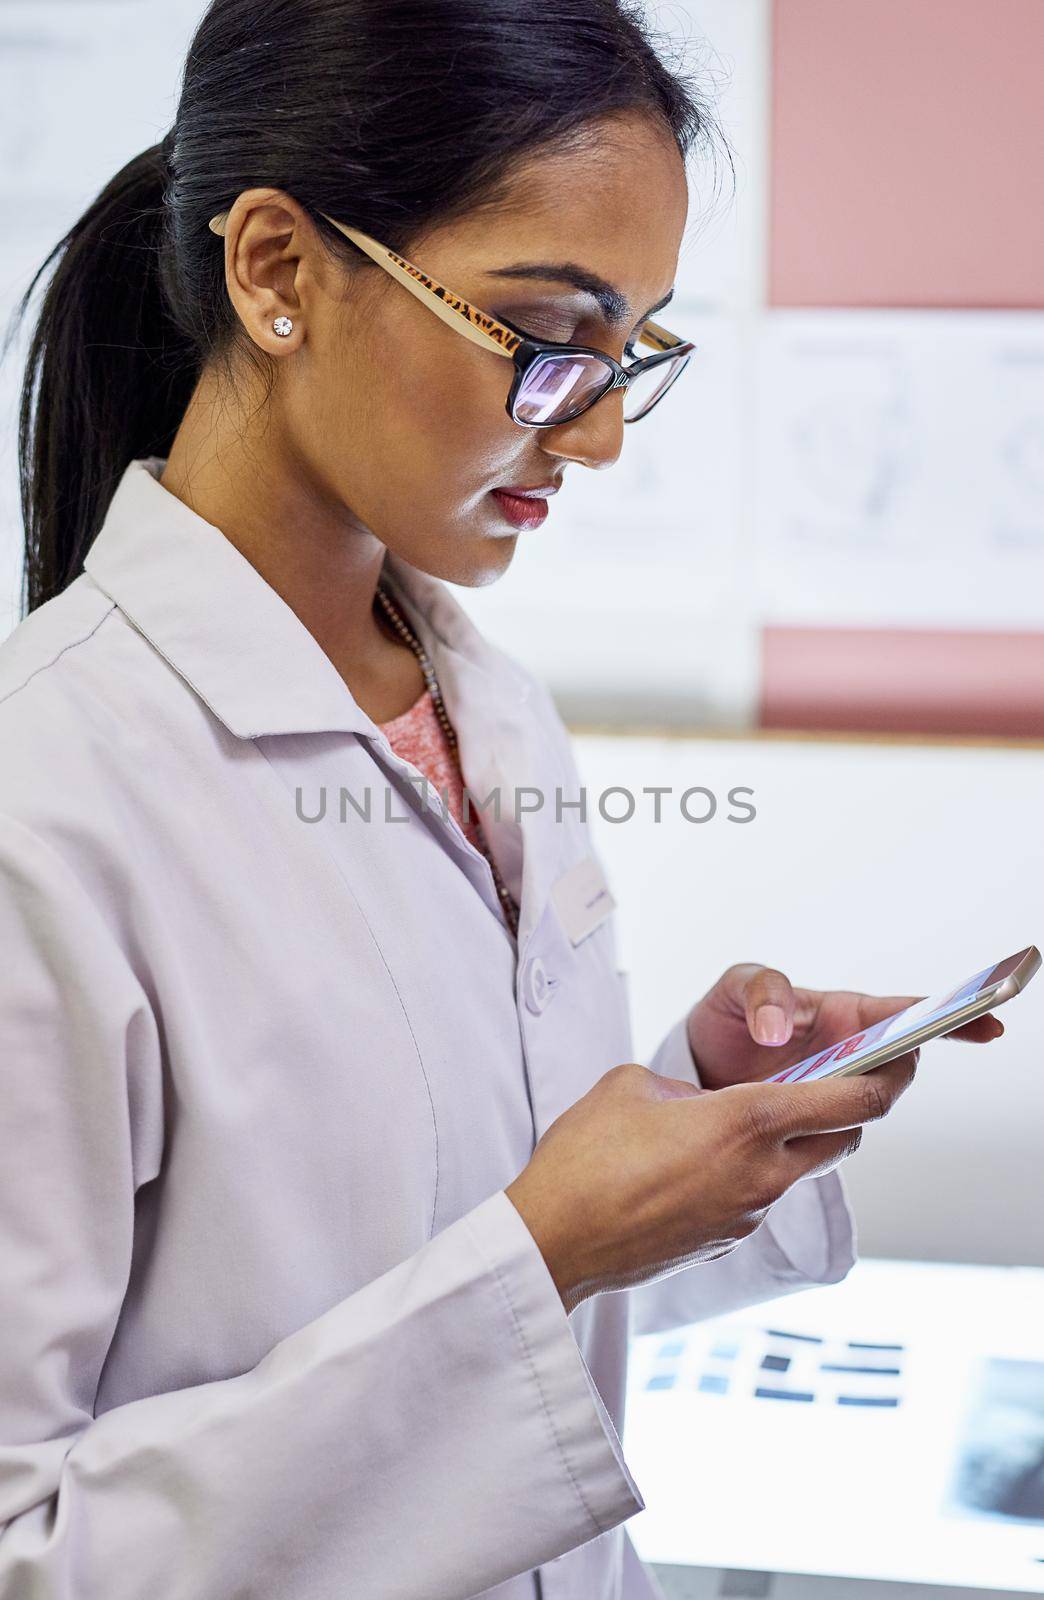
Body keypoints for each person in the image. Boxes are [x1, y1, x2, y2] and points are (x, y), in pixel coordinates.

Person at [0, 2, 1003, 1596]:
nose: (596, 434)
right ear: (276, 273)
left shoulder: (488, 707)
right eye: (550, 339)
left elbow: (455, 1283)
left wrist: (687, 1128)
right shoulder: (44, 801)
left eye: (633, 354)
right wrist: (549, 1247)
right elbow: (27, 1550)